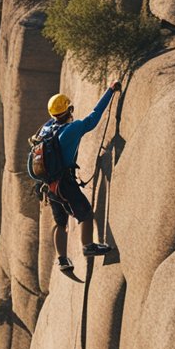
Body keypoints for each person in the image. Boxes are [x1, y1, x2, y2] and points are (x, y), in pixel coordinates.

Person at [35, 82, 119, 273]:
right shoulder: (73, 128)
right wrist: (110, 91)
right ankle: (88, 247)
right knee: (86, 213)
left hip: (49, 185)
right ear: (69, 109)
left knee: (60, 222)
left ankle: (62, 259)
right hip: (65, 183)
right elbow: (94, 116)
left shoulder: (46, 129)